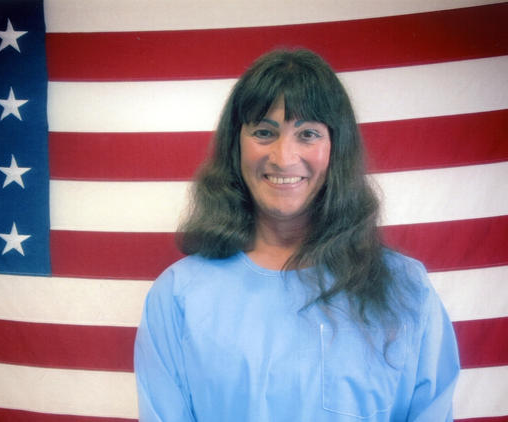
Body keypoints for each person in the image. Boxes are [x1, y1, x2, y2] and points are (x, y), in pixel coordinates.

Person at [134, 48, 460, 421]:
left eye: (307, 134)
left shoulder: (407, 289)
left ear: (337, 148)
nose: (284, 157)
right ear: (235, 145)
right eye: (264, 132)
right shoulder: (176, 297)